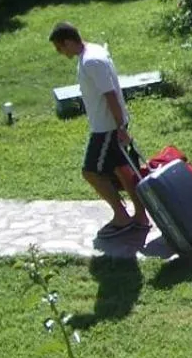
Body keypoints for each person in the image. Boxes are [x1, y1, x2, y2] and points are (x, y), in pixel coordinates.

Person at [49, 21, 150, 239]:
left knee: (90, 172)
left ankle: (121, 217)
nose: (60, 53)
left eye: (60, 48)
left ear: (68, 42)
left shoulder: (91, 61)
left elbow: (110, 94)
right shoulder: (93, 52)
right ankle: (141, 216)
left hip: (107, 129)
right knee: (123, 171)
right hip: (111, 125)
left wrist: (120, 127)